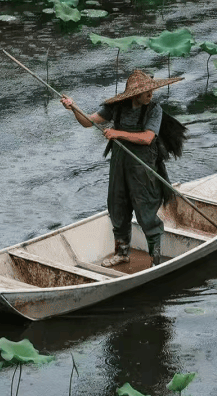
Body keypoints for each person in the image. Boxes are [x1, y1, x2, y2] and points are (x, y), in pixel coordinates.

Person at [60, 69, 183, 267]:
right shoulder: (116, 108)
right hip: (119, 165)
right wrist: (73, 107)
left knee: (146, 211)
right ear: (135, 94)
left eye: (151, 91)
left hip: (143, 168)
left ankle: (156, 259)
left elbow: (147, 138)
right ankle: (122, 253)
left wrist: (117, 133)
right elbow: (88, 122)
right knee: (117, 207)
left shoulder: (154, 110)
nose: (151, 95)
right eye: (146, 92)